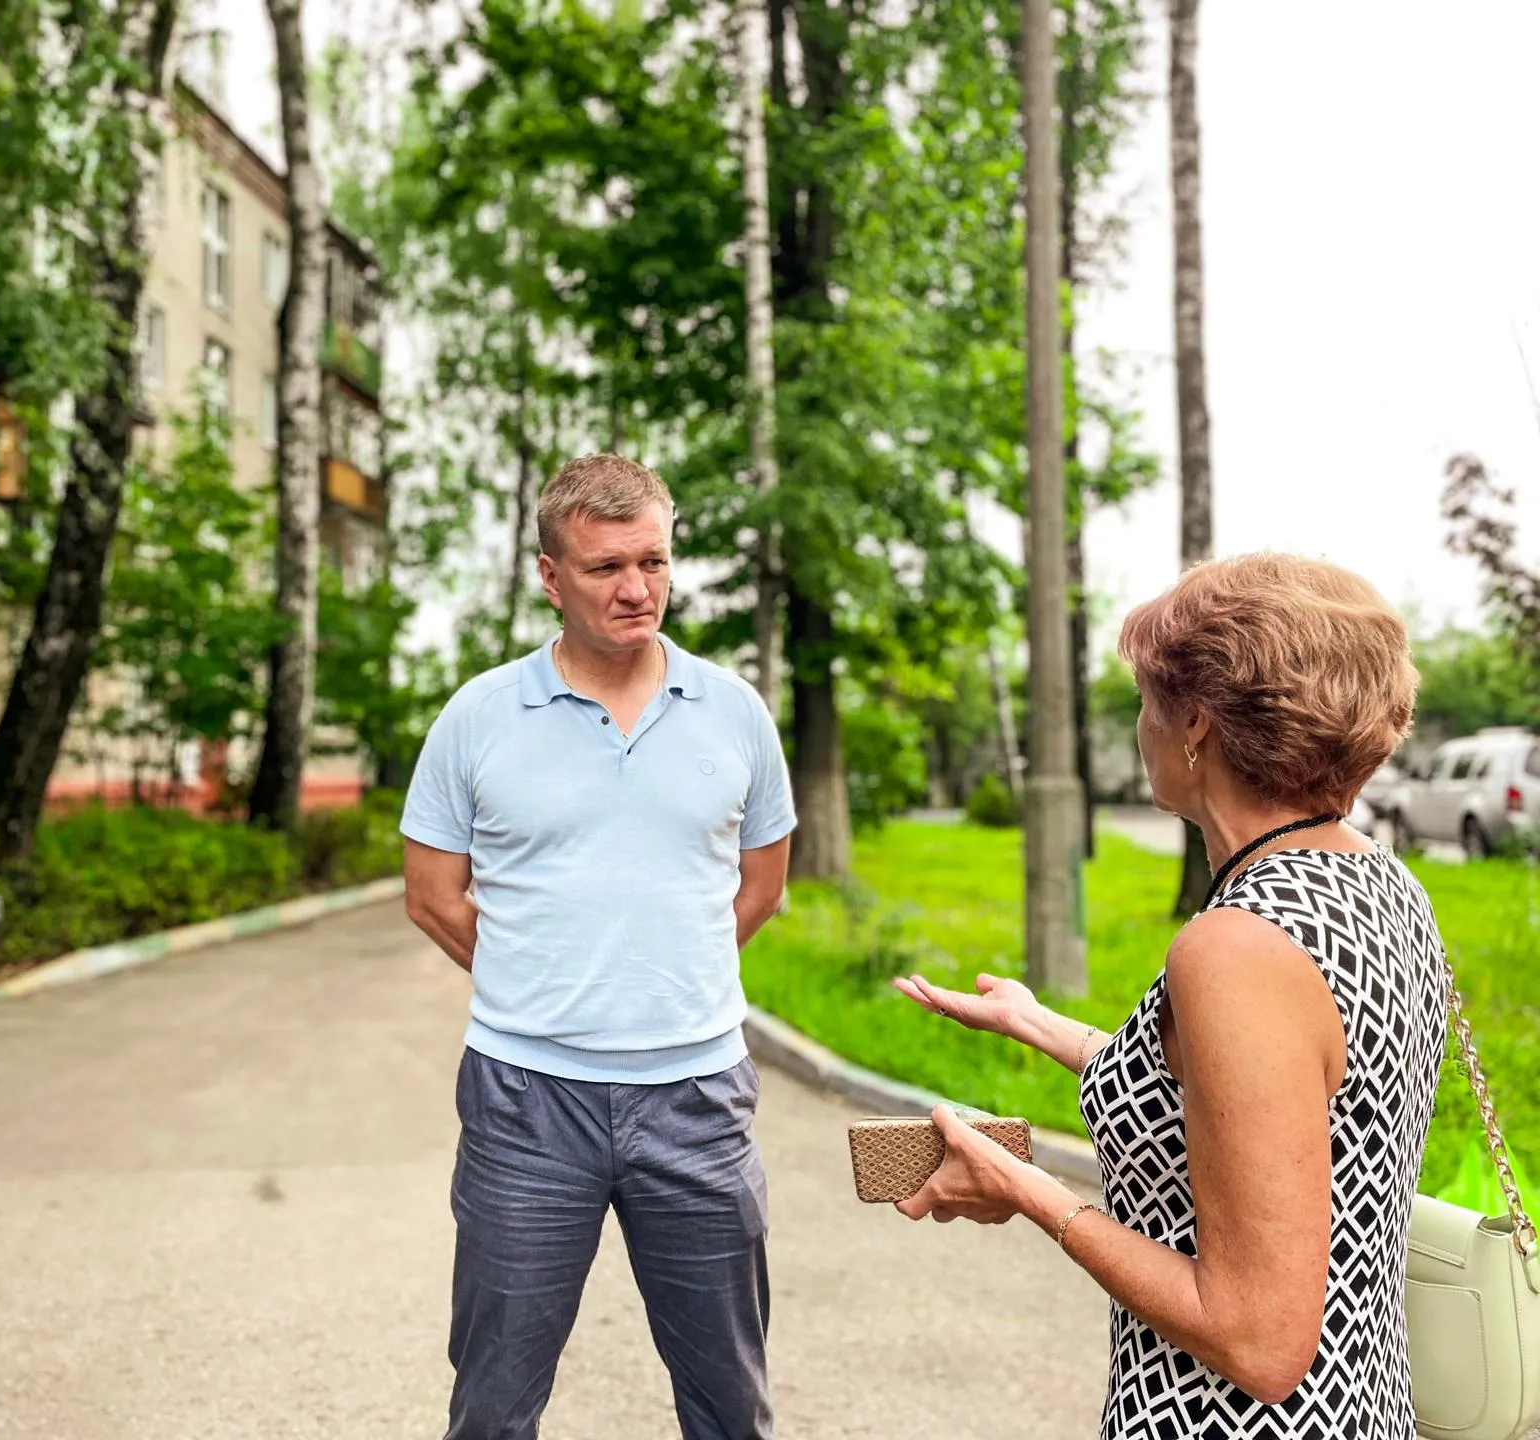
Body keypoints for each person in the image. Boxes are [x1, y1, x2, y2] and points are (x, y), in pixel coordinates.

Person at [891, 554, 1441, 1438]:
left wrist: (1025, 1187)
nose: (1143, 724)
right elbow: (1274, 1096)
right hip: (1365, 1412)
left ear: (1195, 724)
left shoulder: (1236, 945)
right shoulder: (1373, 879)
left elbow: (1258, 1342)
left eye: (1148, 700)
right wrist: (1039, 1023)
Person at [401, 453, 797, 1440]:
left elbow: (762, 888)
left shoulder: (736, 713)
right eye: (606, 567)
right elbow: (433, 896)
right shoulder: (479, 717)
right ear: (549, 576)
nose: (637, 589)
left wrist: (665, 971)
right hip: (526, 1104)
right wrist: (547, 978)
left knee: (731, 1408)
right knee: (492, 1407)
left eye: (655, 563)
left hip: (699, 1100)